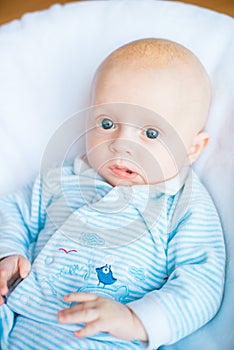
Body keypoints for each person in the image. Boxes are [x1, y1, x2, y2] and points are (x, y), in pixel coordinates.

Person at [0, 38, 225, 350]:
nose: (122, 143)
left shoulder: (181, 205)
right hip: (16, 321)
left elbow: (202, 282)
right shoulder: (62, 180)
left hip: (102, 341)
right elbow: (13, 212)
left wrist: (136, 319)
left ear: (191, 148)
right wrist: (9, 253)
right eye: (107, 123)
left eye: (151, 133)